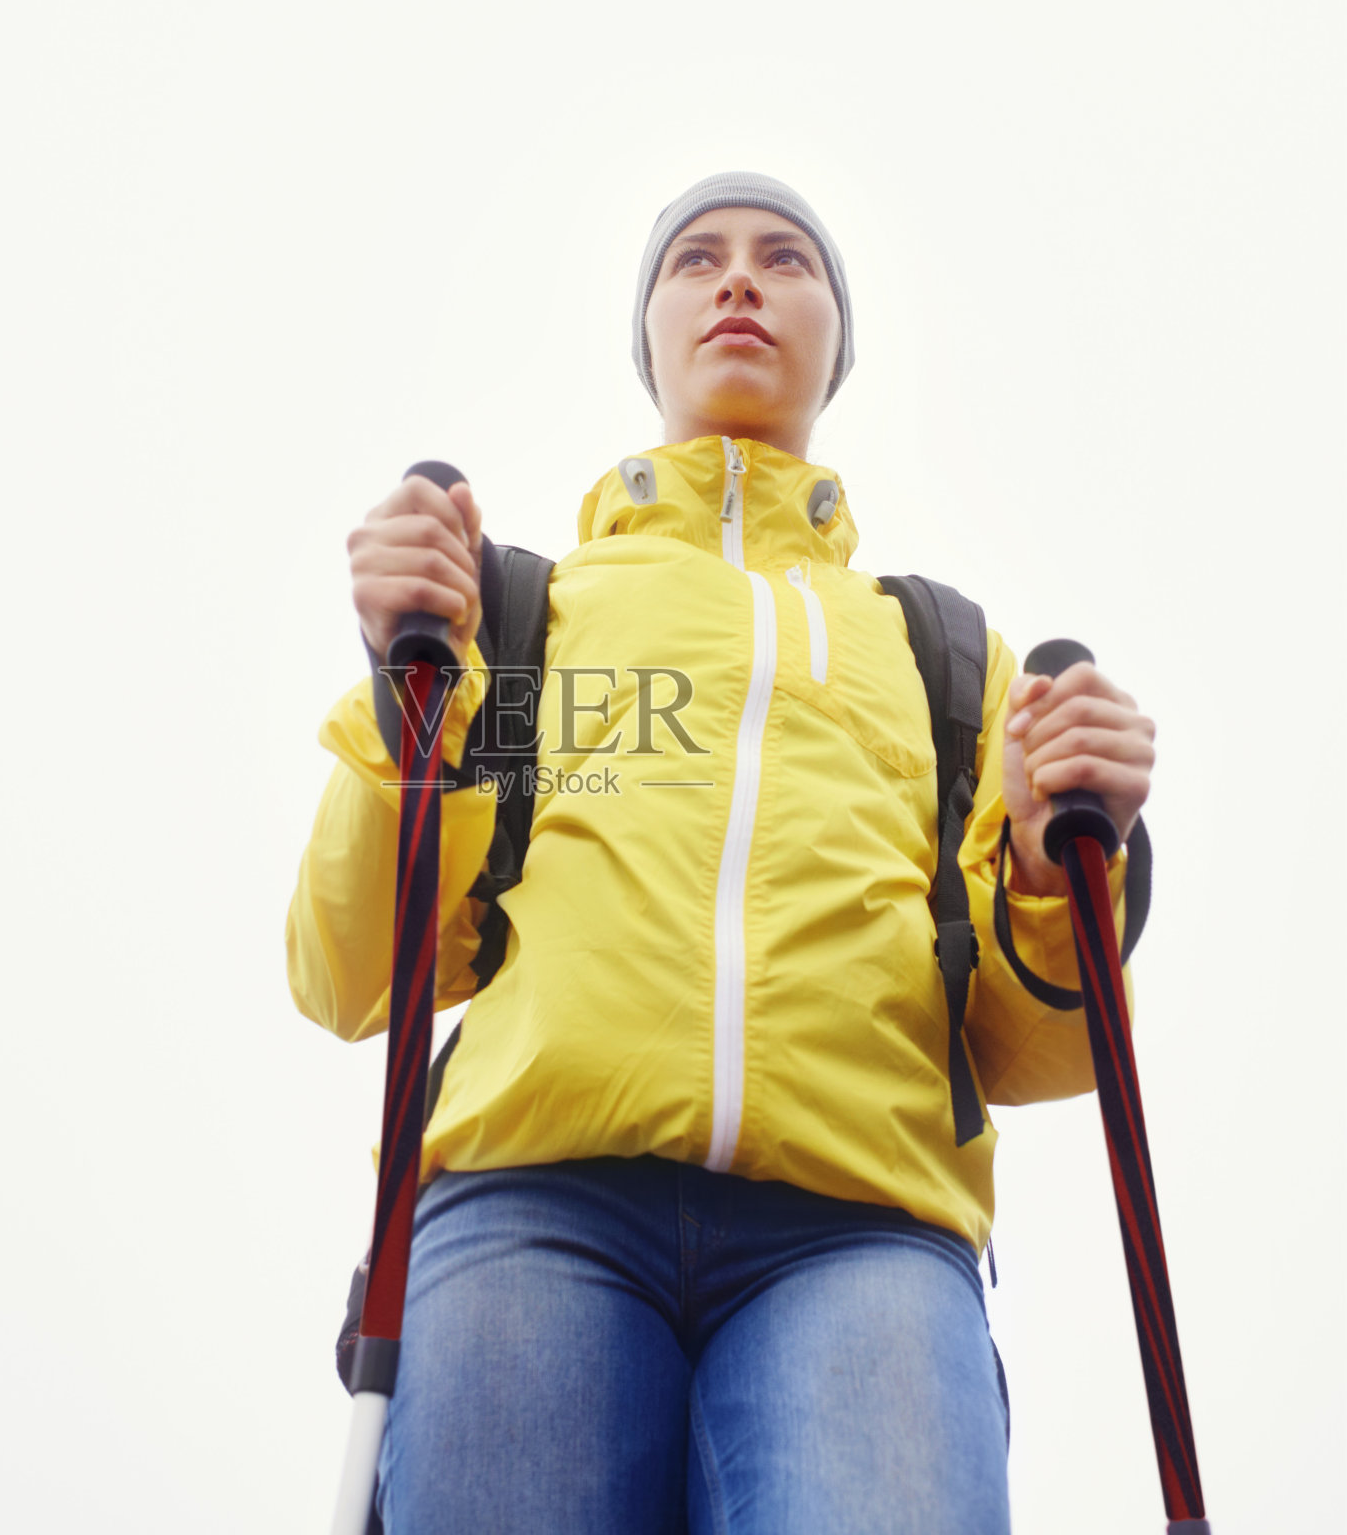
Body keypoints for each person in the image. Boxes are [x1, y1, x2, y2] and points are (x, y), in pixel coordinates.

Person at [287, 172, 1156, 1535]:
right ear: (651, 338)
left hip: (866, 1230)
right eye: (697, 258)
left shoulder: (945, 659)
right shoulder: (524, 615)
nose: (740, 278)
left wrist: (1054, 871)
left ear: (836, 340)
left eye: (785, 259)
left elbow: (1032, 1046)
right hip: (531, 1203)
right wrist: (420, 697)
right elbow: (351, 973)